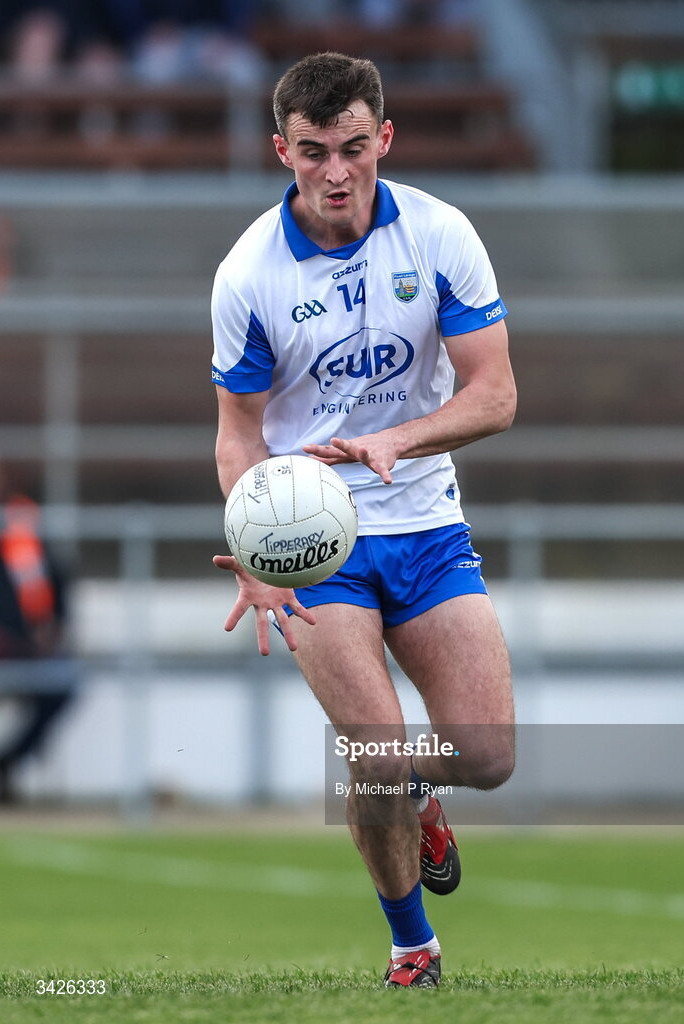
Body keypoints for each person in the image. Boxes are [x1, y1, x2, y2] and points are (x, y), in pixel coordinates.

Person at [211, 52, 516, 988]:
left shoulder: (439, 233)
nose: (335, 171)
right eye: (312, 152)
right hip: (315, 542)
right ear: (281, 151)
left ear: (383, 138)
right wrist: (257, 554)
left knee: (489, 756)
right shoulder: (248, 276)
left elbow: (496, 395)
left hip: (425, 523)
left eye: (353, 147)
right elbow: (238, 437)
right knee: (376, 760)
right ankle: (411, 948)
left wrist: (404, 440)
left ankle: (421, 792)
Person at [0, 442, 75, 804]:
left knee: (63, 682)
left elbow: (55, 578)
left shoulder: (19, 518)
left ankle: (9, 760)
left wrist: (54, 626)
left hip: (22, 647)